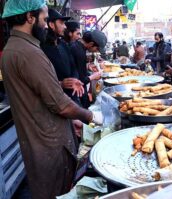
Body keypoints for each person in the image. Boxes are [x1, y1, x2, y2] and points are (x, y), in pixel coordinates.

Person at [0, 1, 103, 198]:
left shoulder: (14, 48)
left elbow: (41, 93)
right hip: (48, 144)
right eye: (45, 19)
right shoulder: (27, 51)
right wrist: (92, 117)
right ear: (30, 17)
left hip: (39, 139)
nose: (47, 25)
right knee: (57, 191)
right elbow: (60, 104)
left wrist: (71, 117)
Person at [41, 8, 83, 106]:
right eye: (62, 23)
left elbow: (73, 66)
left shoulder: (63, 44)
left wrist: (74, 80)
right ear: (51, 25)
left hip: (72, 96)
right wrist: (60, 83)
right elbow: (42, 79)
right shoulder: (42, 48)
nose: (65, 26)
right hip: (56, 101)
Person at [70, 30, 105, 108]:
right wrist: (93, 76)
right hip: (78, 93)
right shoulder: (79, 52)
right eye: (97, 48)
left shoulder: (76, 46)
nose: (97, 51)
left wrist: (86, 67)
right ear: (91, 44)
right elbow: (80, 81)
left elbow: (75, 68)